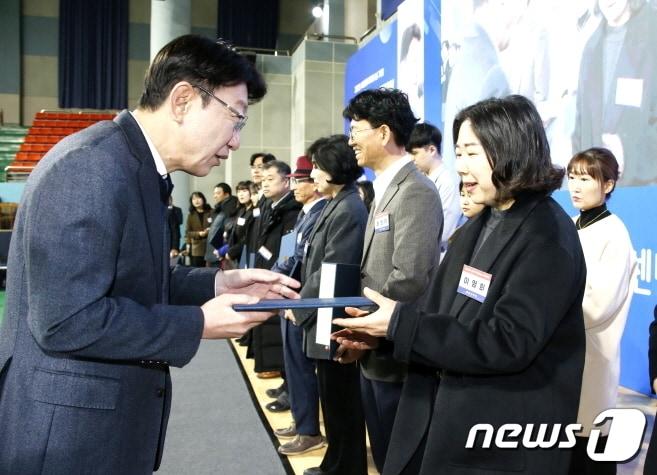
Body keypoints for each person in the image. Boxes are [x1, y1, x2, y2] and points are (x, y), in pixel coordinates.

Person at [0, 35, 300, 474]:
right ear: (182, 100)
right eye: (235, 118)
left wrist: (217, 283)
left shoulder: (131, 165)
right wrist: (198, 323)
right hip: (67, 438)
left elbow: (132, 275)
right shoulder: (92, 166)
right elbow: (66, 321)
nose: (236, 142)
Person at [334, 95, 587, 475]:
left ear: (509, 148)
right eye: (458, 153)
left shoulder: (547, 237)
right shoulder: (482, 224)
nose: (461, 167)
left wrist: (399, 325)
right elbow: (443, 312)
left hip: (496, 439)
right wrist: (383, 336)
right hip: (445, 415)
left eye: (471, 153)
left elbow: (507, 341)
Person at [343, 88, 442, 473]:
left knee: (400, 461)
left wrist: (364, 327)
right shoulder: (384, 190)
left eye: (357, 129)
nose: (351, 139)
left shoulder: (415, 191)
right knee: (384, 456)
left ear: (383, 133)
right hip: (375, 350)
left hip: (396, 353)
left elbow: (409, 278)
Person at [290, 135, 369, 475]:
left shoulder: (349, 207)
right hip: (323, 310)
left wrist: (301, 305)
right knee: (332, 400)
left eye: (319, 168)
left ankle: (344, 466)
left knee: (341, 401)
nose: (314, 175)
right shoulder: (336, 203)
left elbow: (333, 269)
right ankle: (334, 462)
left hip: (333, 316)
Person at [566, 147, 636, 475]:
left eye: (585, 178)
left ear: (607, 185)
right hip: (565, 360)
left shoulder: (615, 235)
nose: (575, 187)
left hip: (592, 359)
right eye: (572, 178)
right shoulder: (570, 225)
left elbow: (596, 307)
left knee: (589, 453)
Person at [272, 155, 327, 455]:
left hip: (303, 302)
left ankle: (308, 430)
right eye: (292, 179)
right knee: (293, 367)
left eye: (299, 180)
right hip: (291, 297)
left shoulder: (319, 213)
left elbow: (309, 264)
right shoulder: (306, 213)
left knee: (302, 367)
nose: (293, 185)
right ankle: (301, 419)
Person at [573, 0, 657, 186]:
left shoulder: (652, 36)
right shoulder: (591, 48)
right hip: (597, 187)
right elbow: (580, 128)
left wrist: (627, 151)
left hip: (643, 186)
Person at [251, 160, 302, 379]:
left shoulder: (291, 210)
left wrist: (276, 272)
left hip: (280, 278)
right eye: (262, 180)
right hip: (267, 272)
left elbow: (288, 251)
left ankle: (284, 380)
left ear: (287, 181)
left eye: (270, 179)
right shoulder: (271, 206)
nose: (264, 184)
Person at [407, 122, 462, 257]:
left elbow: (445, 231)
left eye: (415, 153)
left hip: (440, 256)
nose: (411, 159)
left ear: (432, 150)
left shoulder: (449, 182)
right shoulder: (420, 180)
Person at [184, 191, 212, 267]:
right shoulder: (191, 215)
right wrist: (198, 234)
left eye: (198, 198)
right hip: (197, 249)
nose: (196, 201)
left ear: (203, 199)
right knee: (197, 271)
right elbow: (188, 232)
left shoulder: (211, 212)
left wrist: (209, 230)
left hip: (210, 246)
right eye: (193, 199)